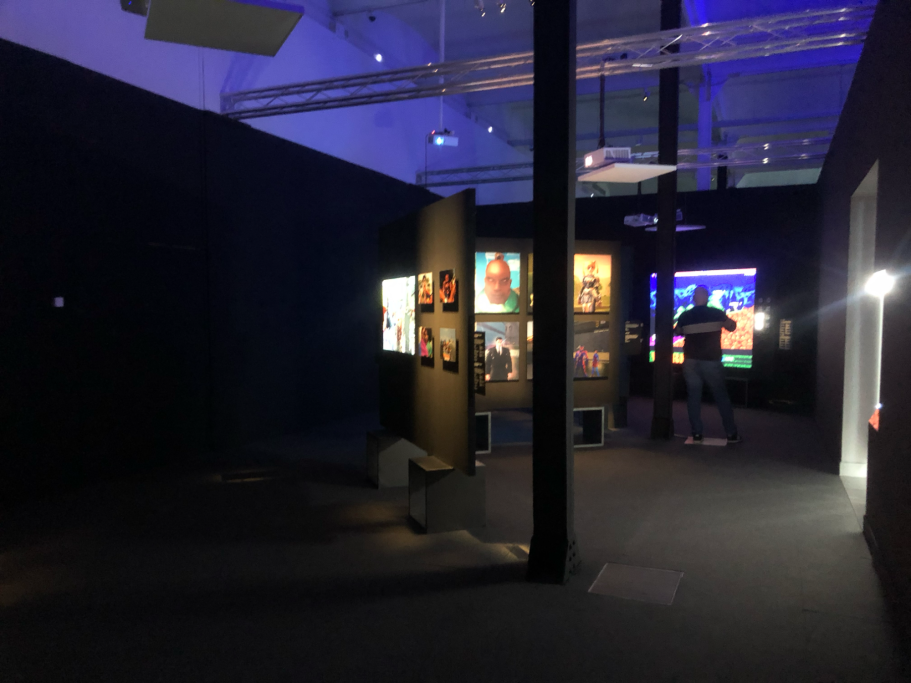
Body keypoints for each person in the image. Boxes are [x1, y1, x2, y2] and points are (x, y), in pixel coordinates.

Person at [675, 285, 741, 443]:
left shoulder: (685, 315)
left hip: (690, 361)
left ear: (693, 298)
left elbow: (677, 332)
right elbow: (732, 327)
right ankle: (731, 434)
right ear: (708, 297)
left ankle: (697, 434)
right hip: (711, 361)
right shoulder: (717, 313)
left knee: (693, 398)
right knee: (721, 397)